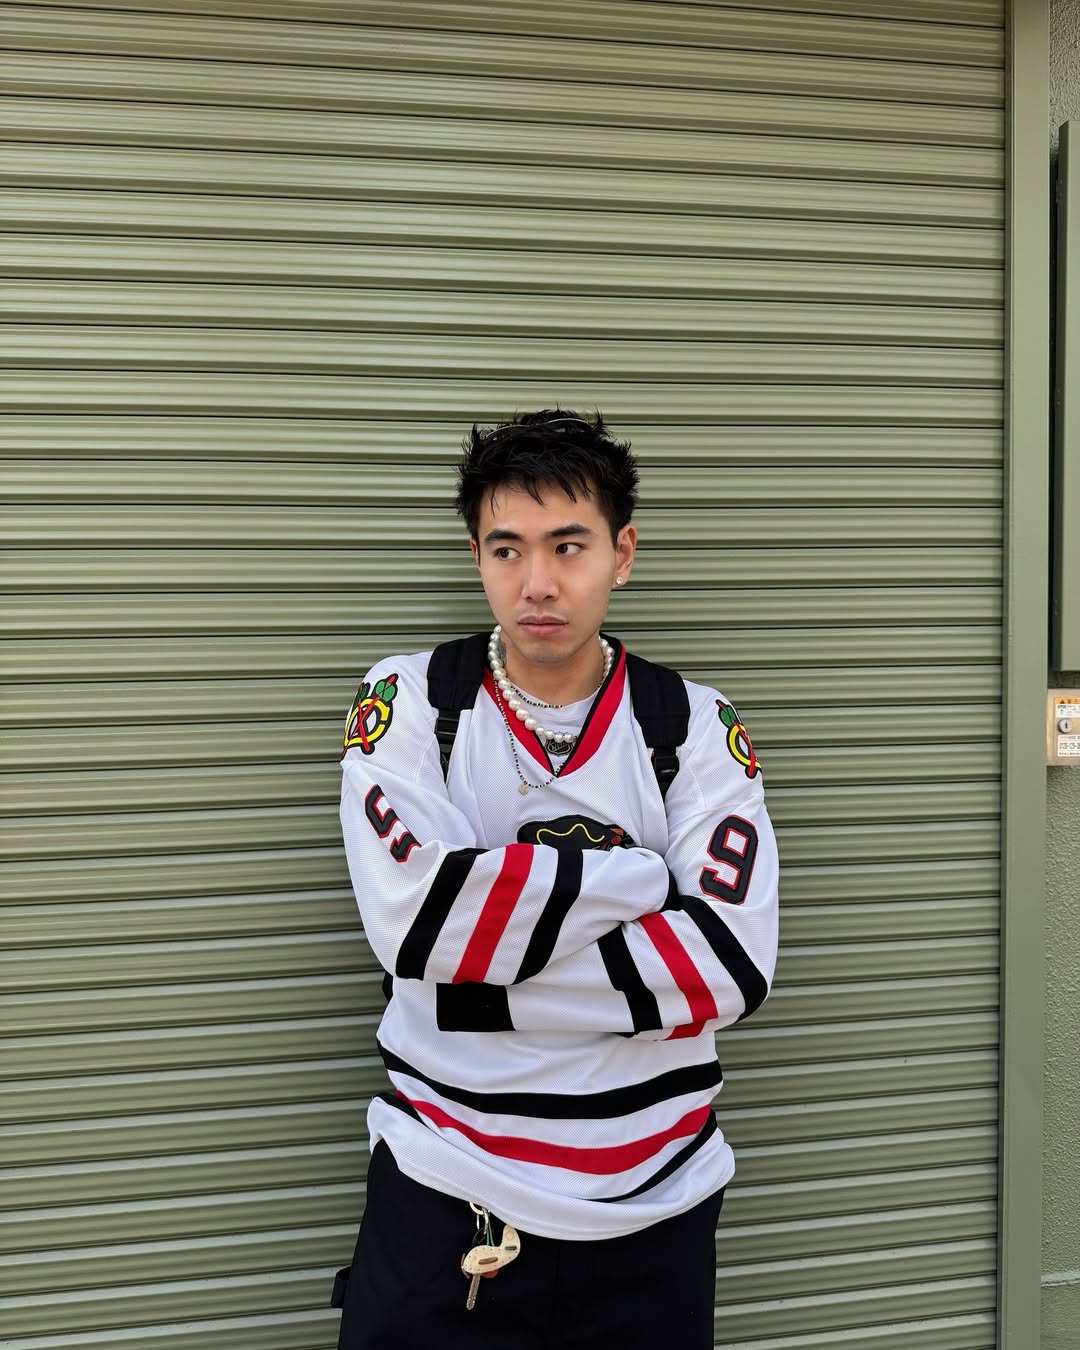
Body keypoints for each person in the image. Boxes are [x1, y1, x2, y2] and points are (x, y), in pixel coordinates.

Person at [334, 409, 779, 1349]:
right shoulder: (412, 703)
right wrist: (639, 880)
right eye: (508, 549)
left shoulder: (692, 725)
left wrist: (480, 974)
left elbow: (728, 967)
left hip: (656, 1209)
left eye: (568, 546)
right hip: (447, 1194)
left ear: (623, 554)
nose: (537, 583)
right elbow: (418, 928)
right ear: (477, 557)